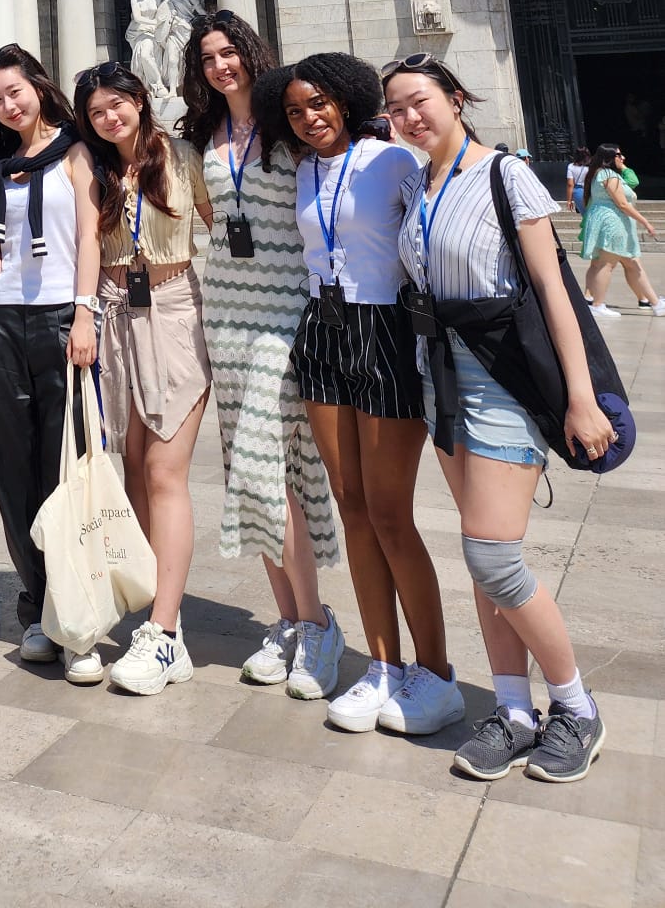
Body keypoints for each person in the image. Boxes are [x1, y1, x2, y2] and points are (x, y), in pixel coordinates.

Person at [383, 52, 614, 783]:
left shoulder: (503, 173)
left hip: (504, 382)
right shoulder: (419, 184)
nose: (410, 116)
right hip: (441, 380)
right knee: (485, 562)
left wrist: (580, 396)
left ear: (455, 97)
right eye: (396, 108)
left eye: (420, 101)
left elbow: (554, 291)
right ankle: (514, 710)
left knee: (492, 555)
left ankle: (575, 707)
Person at [254, 54, 463, 737]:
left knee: (390, 512)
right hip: (323, 329)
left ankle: (434, 672)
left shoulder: (391, 161)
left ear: (344, 99)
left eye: (318, 103)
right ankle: (380, 665)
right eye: (294, 110)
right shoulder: (302, 170)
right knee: (350, 507)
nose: (309, 117)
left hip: (384, 329)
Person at [179, 11, 343, 699]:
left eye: (231, 52)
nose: (223, 66)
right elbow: (215, 225)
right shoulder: (201, 138)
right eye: (210, 57)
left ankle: (316, 626)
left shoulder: (288, 126)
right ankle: (288, 620)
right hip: (228, 316)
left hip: (287, 316)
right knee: (255, 476)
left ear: (252, 54)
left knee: (272, 468)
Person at [75, 63, 211, 696]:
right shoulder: (96, 170)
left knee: (163, 472)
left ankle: (166, 631)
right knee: (130, 466)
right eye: (98, 111)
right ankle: (152, 606)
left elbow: (223, 223)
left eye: (119, 105)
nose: (111, 118)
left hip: (174, 312)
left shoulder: (183, 156)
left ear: (140, 101)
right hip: (113, 318)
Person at [0, 44, 104, 685]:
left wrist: (85, 314)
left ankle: (77, 618)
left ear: (39, 87)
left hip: (60, 315)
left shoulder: (75, 151)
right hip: (4, 316)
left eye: (15, 92)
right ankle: (37, 604)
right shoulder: (6, 164)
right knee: (13, 462)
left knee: (68, 464)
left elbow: (87, 235)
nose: (8, 105)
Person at [581, 143, 663, 317]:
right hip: (614, 223)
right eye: (619, 155)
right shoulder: (609, 175)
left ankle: (655, 303)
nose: (622, 157)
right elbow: (622, 204)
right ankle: (597, 304)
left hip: (615, 223)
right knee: (607, 264)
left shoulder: (600, 174)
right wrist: (645, 222)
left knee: (633, 265)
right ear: (610, 158)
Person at [565, 147, 590, 216]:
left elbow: (570, 184)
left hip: (579, 191)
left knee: (585, 215)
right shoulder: (590, 166)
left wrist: (569, 200)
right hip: (591, 190)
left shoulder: (571, 166)